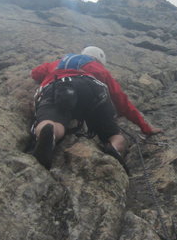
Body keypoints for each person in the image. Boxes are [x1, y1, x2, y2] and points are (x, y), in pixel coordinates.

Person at [29, 46, 162, 170]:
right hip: (94, 91)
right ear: (99, 60)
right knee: (114, 135)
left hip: (61, 87)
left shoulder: (59, 62)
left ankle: (50, 132)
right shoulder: (100, 68)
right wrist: (146, 128)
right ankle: (114, 147)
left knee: (53, 119)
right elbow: (121, 100)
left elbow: (35, 73)